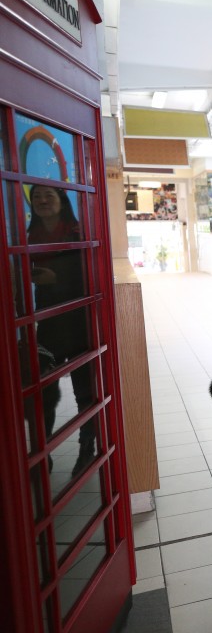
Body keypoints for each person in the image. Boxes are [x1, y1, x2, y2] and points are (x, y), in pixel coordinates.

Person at [28, 184, 97, 476]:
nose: (42, 200)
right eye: (36, 196)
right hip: (48, 323)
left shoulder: (77, 233)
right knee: (43, 391)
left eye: (49, 195)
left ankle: (86, 450)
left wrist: (55, 278)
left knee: (84, 391)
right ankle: (41, 455)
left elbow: (91, 275)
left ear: (62, 201)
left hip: (79, 321)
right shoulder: (29, 234)